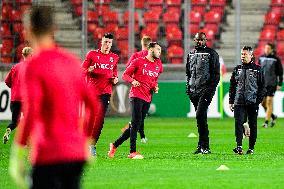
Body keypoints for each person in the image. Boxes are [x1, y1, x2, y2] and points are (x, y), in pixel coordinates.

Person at [9, 6, 100, 189]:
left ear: (27, 30)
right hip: (75, 154)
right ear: (54, 29)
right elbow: (94, 106)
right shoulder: (72, 62)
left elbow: (32, 111)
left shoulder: (32, 66)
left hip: (48, 154)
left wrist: (17, 153)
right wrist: (86, 141)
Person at [108, 42, 163, 159]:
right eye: (158, 50)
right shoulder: (138, 61)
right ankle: (132, 152)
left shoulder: (158, 64)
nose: (160, 52)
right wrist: (133, 81)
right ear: (151, 50)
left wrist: (155, 87)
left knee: (136, 125)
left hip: (148, 97)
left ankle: (114, 145)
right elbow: (125, 75)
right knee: (135, 122)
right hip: (136, 95)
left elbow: (154, 80)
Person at [82, 33, 119, 156]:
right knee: (90, 118)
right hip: (92, 91)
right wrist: (89, 70)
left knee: (100, 119)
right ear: (101, 42)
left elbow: (114, 73)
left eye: (109, 43)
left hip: (106, 92)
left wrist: (115, 79)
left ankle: (92, 145)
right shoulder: (92, 54)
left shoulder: (114, 57)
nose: (107, 45)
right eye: (105, 42)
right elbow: (82, 70)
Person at [121, 36, 163, 144]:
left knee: (138, 118)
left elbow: (127, 69)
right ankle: (138, 139)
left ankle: (132, 131)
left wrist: (134, 79)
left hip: (144, 89)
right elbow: (157, 73)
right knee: (139, 118)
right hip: (141, 91)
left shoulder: (136, 55)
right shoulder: (151, 59)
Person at [185, 32, 220, 154]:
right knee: (201, 117)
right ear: (194, 40)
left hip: (205, 91)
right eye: (197, 40)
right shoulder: (191, 54)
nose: (199, 42)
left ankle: (205, 146)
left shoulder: (212, 53)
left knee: (200, 115)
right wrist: (188, 87)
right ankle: (202, 146)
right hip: (193, 90)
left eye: (201, 40)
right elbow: (188, 73)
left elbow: (216, 74)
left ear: (206, 40)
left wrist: (210, 89)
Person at [229, 46, 266, 155]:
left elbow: (262, 87)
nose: (243, 56)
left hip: (252, 102)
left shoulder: (257, 69)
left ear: (251, 55)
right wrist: (231, 101)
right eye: (241, 54)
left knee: (253, 125)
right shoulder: (237, 69)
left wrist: (257, 101)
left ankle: (251, 148)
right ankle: (239, 146)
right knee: (238, 123)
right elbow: (232, 86)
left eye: (245, 54)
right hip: (239, 101)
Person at [3, 47, 33, 144]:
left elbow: (7, 82)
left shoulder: (15, 67)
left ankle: (9, 130)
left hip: (15, 99)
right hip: (27, 98)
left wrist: (15, 87)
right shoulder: (33, 67)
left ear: (23, 55)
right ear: (31, 55)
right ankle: (29, 142)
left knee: (15, 122)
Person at [258, 43, 283, 128]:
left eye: (268, 48)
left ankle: (266, 122)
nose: (266, 50)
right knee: (262, 103)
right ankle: (273, 116)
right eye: (265, 48)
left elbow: (280, 72)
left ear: (272, 49)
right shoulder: (261, 58)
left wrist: (280, 83)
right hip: (263, 84)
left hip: (272, 84)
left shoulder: (276, 59)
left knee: (269, 102)